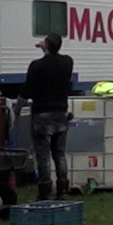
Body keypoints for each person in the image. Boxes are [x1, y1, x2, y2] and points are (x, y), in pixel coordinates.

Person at [22, 33, 74, 200]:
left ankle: (45, 191)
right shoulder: (67, 62)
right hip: (61, 113)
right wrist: (47, 46)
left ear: (46, 46)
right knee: (59, 154)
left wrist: (16, 110)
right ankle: (63, 190)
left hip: (42, 114)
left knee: (43, 155)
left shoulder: (36, 66)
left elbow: (27, 90)